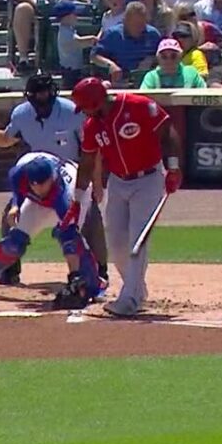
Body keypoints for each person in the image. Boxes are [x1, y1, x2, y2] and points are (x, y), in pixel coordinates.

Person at [0, 73, 109, 288]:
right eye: (36, 94)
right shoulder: (20, 165)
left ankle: (96, 272)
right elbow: (6, 139)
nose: (41, 99)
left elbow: (91, 150)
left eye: (45, 93)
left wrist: (97, 184)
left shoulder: (73, 112)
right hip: (37, 170)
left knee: (83, 221)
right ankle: (3, 270)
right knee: (12, 223)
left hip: (72, 173)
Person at [74, 77, 184, 317]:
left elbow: (168, 132)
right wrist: (77, 198)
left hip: (148, 179)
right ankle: (136, 289)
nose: (84, 112)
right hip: (118, 181)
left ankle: (130, 299)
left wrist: (173, 168)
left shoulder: (138, 105)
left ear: (97, 101)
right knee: (116, 243)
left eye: (86, 106)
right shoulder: (92, 125)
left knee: (138, 240)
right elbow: (87, 162)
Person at [0, 151, 107, 309]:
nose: (39, 189)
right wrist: (15, 206)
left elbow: (69, 235)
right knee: (14, 243)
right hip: (38, 203)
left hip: (79, 197)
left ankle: (95, 284)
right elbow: (17, 191)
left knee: (70, 240)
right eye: (34, 185)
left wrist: (73, 276)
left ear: (52, 178)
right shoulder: (19, 174)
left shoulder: (64, 194)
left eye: (43, 184)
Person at [93, 1, 162, 84]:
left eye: (142, 24)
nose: (139, 28)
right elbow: (95, 56)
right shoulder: (113, 34)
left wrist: (152, 59)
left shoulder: (153, 34)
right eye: (135, 24)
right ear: (125, 21)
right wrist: (111, 65)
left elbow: (165, 55)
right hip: (120, 80)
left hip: (147, 80)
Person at [52, 0, 97, 85]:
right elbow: (78, 42)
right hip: (70, 72)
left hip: (76, 70)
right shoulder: (64, 31)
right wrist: (93, 39)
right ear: (66, 17)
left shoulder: (69, 29)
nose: (76, 17)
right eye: (74, 14)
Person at [140, 38, 207, 89]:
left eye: (173, 56)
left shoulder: (191, 73)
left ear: (180, 57)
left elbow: (204, 93)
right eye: (164, 56)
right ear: (158, 58)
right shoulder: (151, 76)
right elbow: (143, 99)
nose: (169, 60)